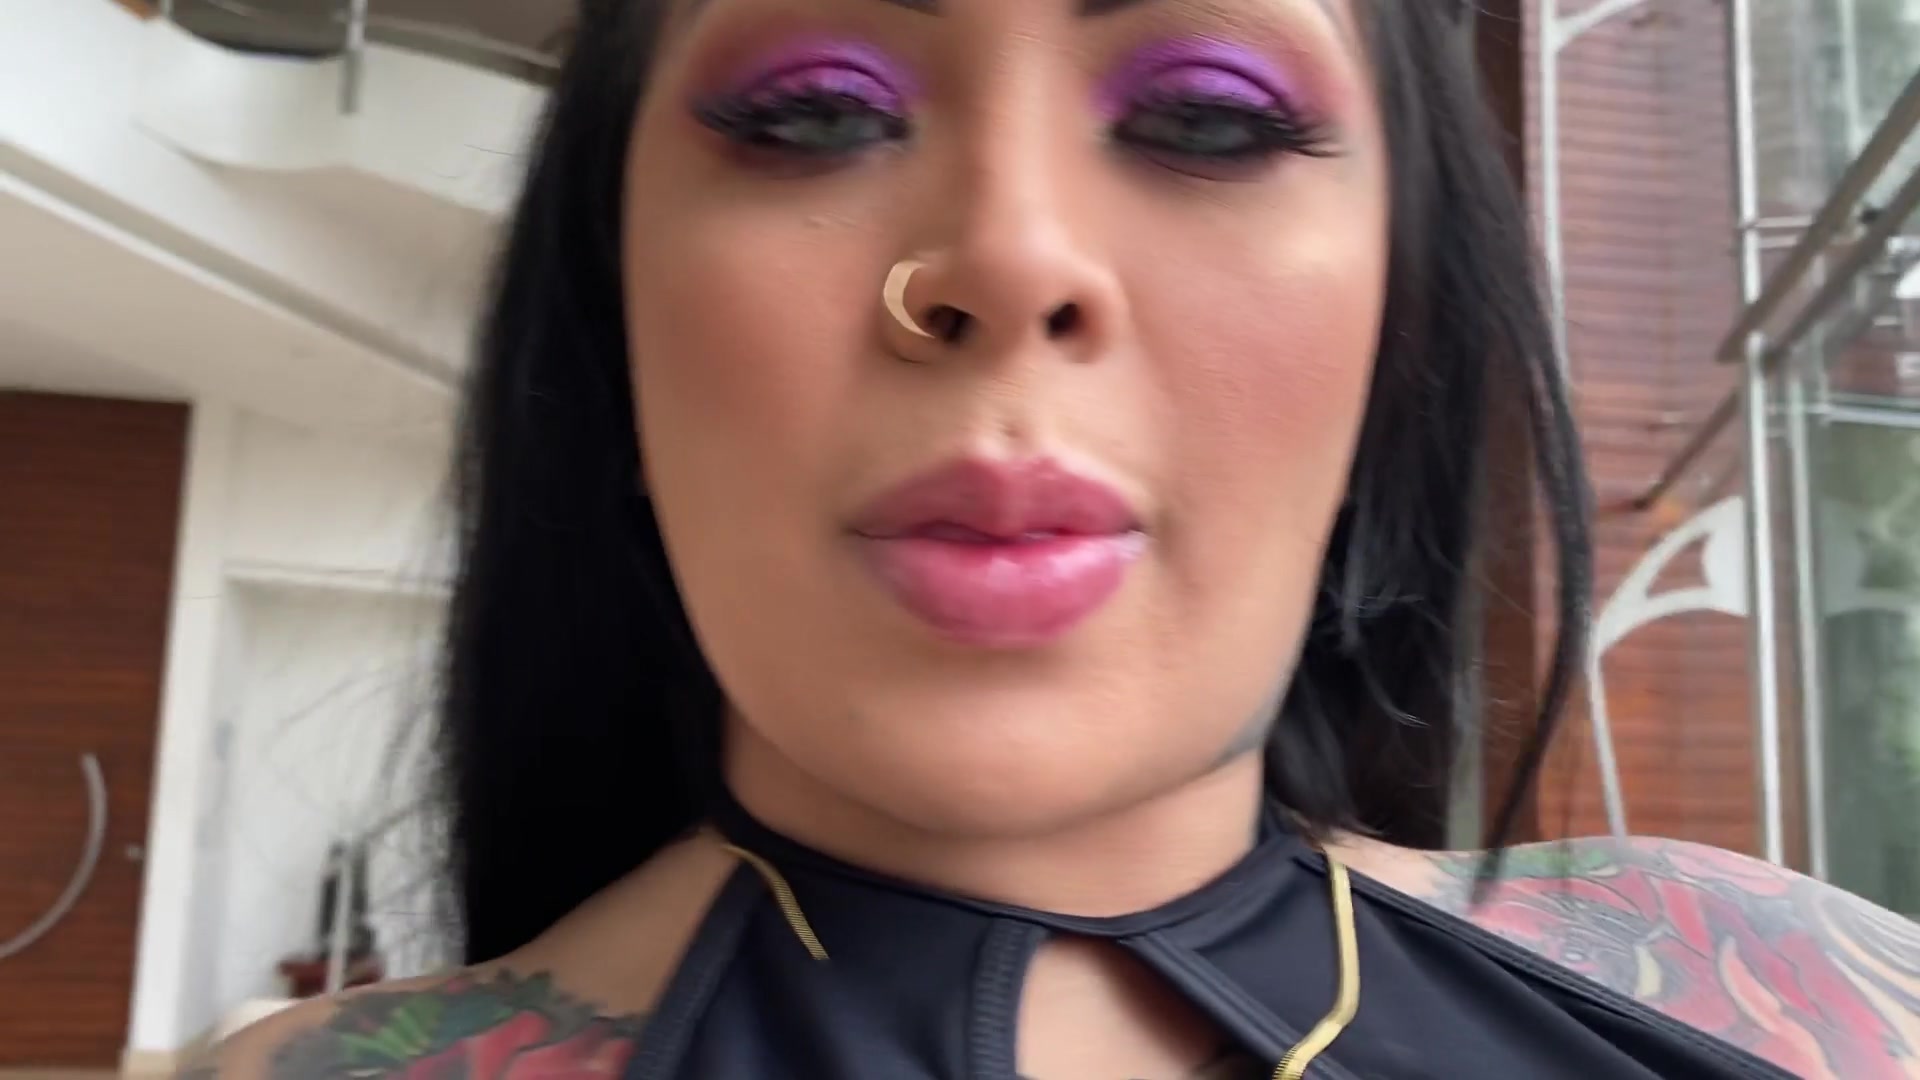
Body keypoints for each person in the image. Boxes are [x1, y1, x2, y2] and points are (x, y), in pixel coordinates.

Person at [191, 1, 1920, 1077]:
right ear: (614, 318)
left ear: (1395, 337)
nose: (1010, 257)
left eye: (1210, 117)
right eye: (814, 110)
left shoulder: (1801, 998)